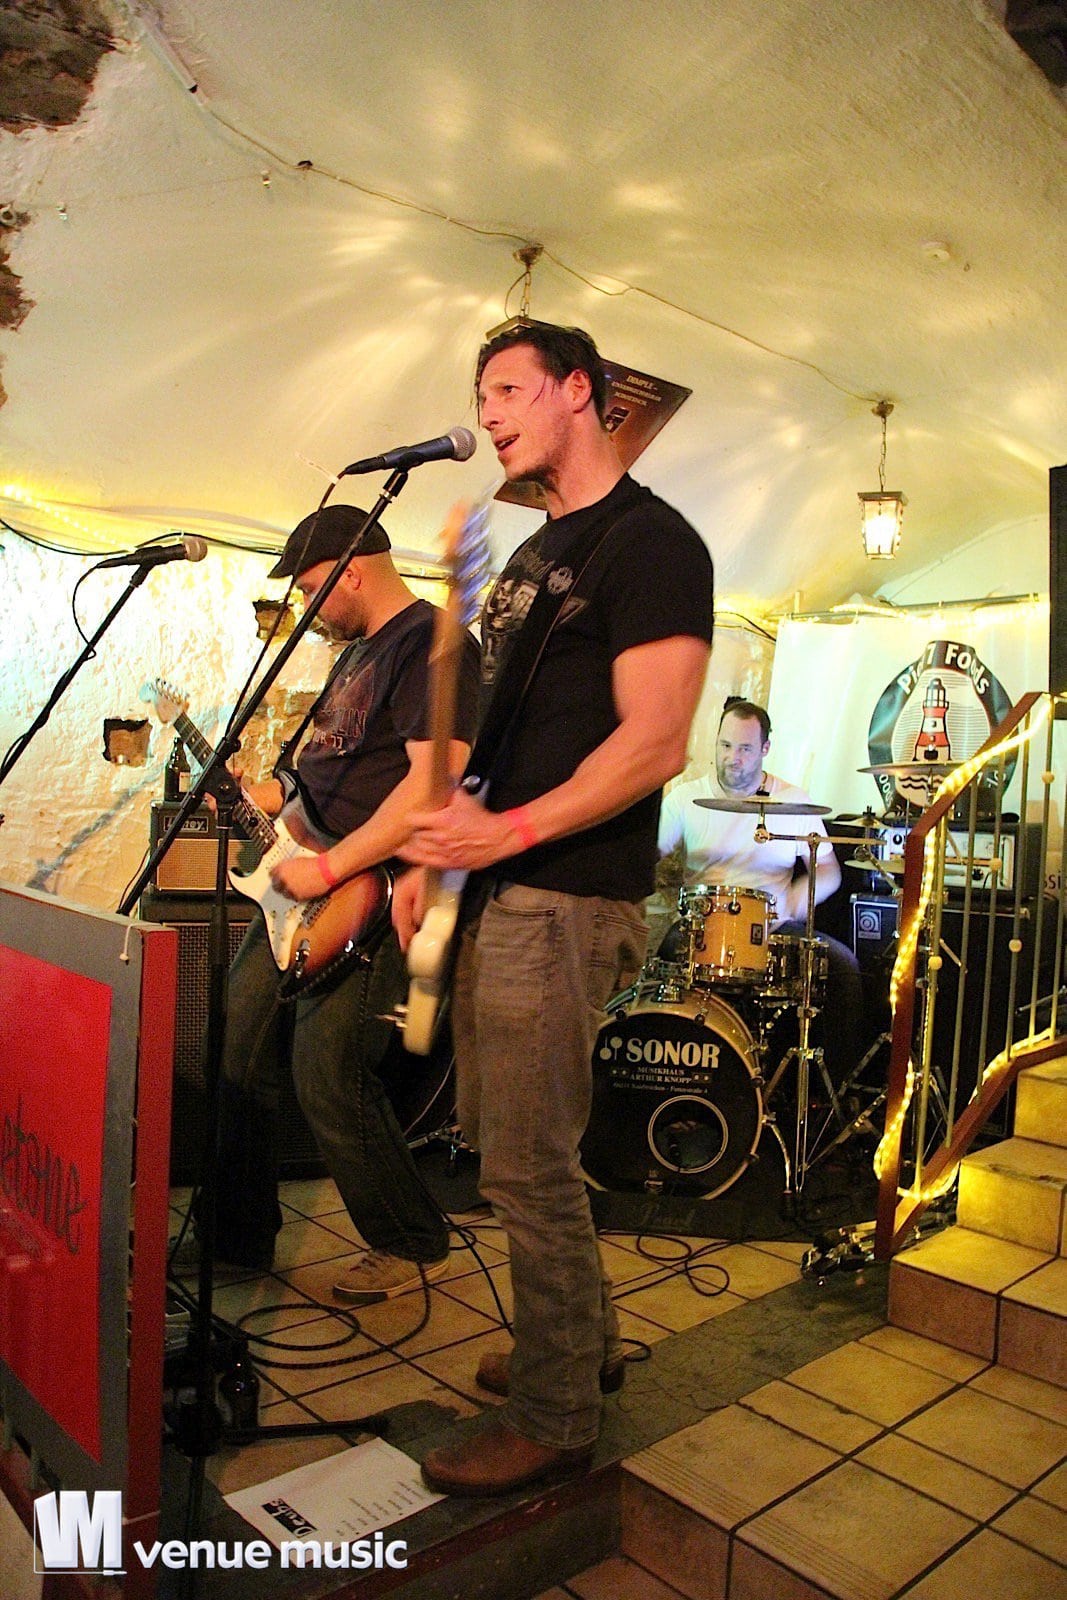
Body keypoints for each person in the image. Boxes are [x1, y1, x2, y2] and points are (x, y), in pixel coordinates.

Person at [393, 322, 715, 1497]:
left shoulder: (653, 543)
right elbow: (501, 731)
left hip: (566, 892)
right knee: (515, 1150)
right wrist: (437, 851)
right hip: (502, 882)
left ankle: (554, 1412)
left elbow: (655, 741)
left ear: (579, 390)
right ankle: (577, 1344)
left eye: (507, 389)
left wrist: (507, 835)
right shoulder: (536, 552)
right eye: (480, 395)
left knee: (526, 1165)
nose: (487, 414)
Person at [208, 502, 481, 1308]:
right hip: (300, 885)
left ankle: (409, 1240)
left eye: (311, 589)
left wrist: (332, 868)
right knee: (235, 1048)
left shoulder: (433, 644)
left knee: (326, 1071)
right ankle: (235, 1242)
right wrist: (248, 795)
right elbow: (310, 780)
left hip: (371, 892)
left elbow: (432, 783)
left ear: (352, 572)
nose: (307, 607)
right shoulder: (355, 655)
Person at [657, 697, 863, 1075]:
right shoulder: (685, 798)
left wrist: (796, 902)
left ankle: (831, 1093)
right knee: (663, 962)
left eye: (745, 749)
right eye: (725, 745)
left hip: (772, 926)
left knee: (843, 968)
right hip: (701, 926)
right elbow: (650, 856)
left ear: (765, 749)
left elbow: (829, 870)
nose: (732, 758)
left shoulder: (792, 801)